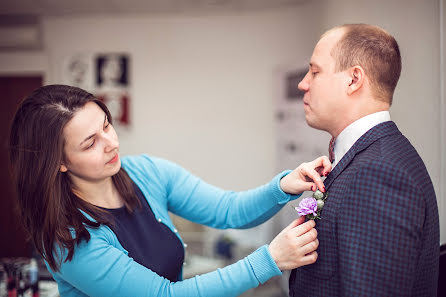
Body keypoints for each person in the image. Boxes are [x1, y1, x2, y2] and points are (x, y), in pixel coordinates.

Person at [9, 84, 332, 297]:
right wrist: (270, 259)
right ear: (59, 163)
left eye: (106, 125)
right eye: (90, 143)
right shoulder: (69, 240)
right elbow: (164, 295)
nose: (111, 144)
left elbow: (229, 210)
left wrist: (283, 186)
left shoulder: (146, 172)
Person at [288, 24, 439, 297]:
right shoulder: (372, 158)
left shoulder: (378, 173)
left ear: (353, 79)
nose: (303, 83)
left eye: (315, 71)